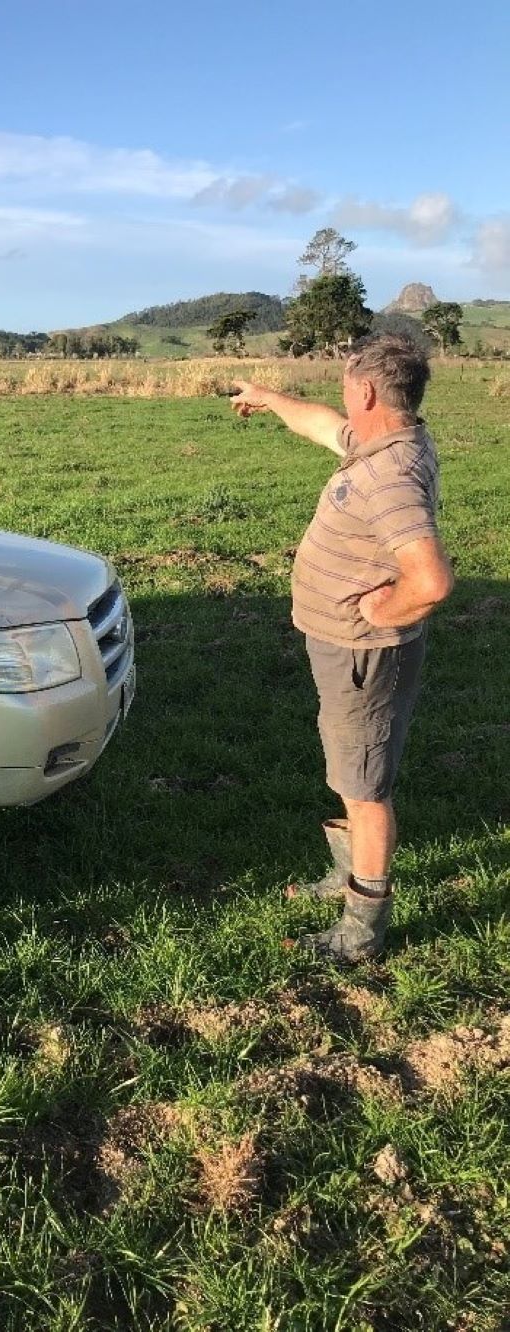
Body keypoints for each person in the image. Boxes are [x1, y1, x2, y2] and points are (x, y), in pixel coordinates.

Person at [230, 335, 454, 960]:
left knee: (364, 786)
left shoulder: (389, 476)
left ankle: (361, 929)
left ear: (367, 391)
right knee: (347, 761)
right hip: (345, 651)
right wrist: (271, 398)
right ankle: (343, 872)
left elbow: (432, 578)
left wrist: (383, 608)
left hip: (364, 653)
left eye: (345, 385)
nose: (340, 397)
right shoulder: (387, 441)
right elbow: (326, 428)